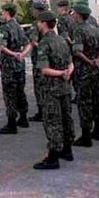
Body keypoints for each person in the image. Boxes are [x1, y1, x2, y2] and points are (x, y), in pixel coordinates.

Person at [33, 10, 75, 170]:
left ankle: (53, 157)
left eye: (39, 22)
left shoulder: (44, 43)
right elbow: (71, 62)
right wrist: (67, 73)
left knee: (52, 121)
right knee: (66, 119)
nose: (38, 24)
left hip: (51, 88)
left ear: (44, 24)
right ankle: (67, 150)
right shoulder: (62, 40)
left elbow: (44, 69)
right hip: (65, 87)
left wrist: (60, 73)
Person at [71, 3, 99, 146]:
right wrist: (97, 60)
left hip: (83, 71)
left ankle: (86, 136)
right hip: (95, 71)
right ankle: (98, 130)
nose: (72, 15)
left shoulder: (79, 30)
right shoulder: (95, 28)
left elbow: (78, 51)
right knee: (97, 100)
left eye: (74, 13)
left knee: (84, 102)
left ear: (79, 15)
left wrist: (89, 61)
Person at [0, 3, 30, 134]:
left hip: (9, 65)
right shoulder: (18, 27)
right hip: (19, 65)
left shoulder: (5, 28)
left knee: (9, 94)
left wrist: (13, 54)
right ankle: (23, 118)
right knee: (20, 91)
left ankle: (11, 124)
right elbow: (27, 44)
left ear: (8, 13)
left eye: (3, 12)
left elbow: (2, 47)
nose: (2, 15)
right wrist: (22, 54)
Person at [27, 1, 48, 122]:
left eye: (33, 9)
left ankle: (41, 112)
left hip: (39, 59)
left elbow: (34, 41)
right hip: (47, 59)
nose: (32, 11)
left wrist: (44, 49)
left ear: (37, 11)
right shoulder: (49, 21)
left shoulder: (36, 24)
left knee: (39, 86)